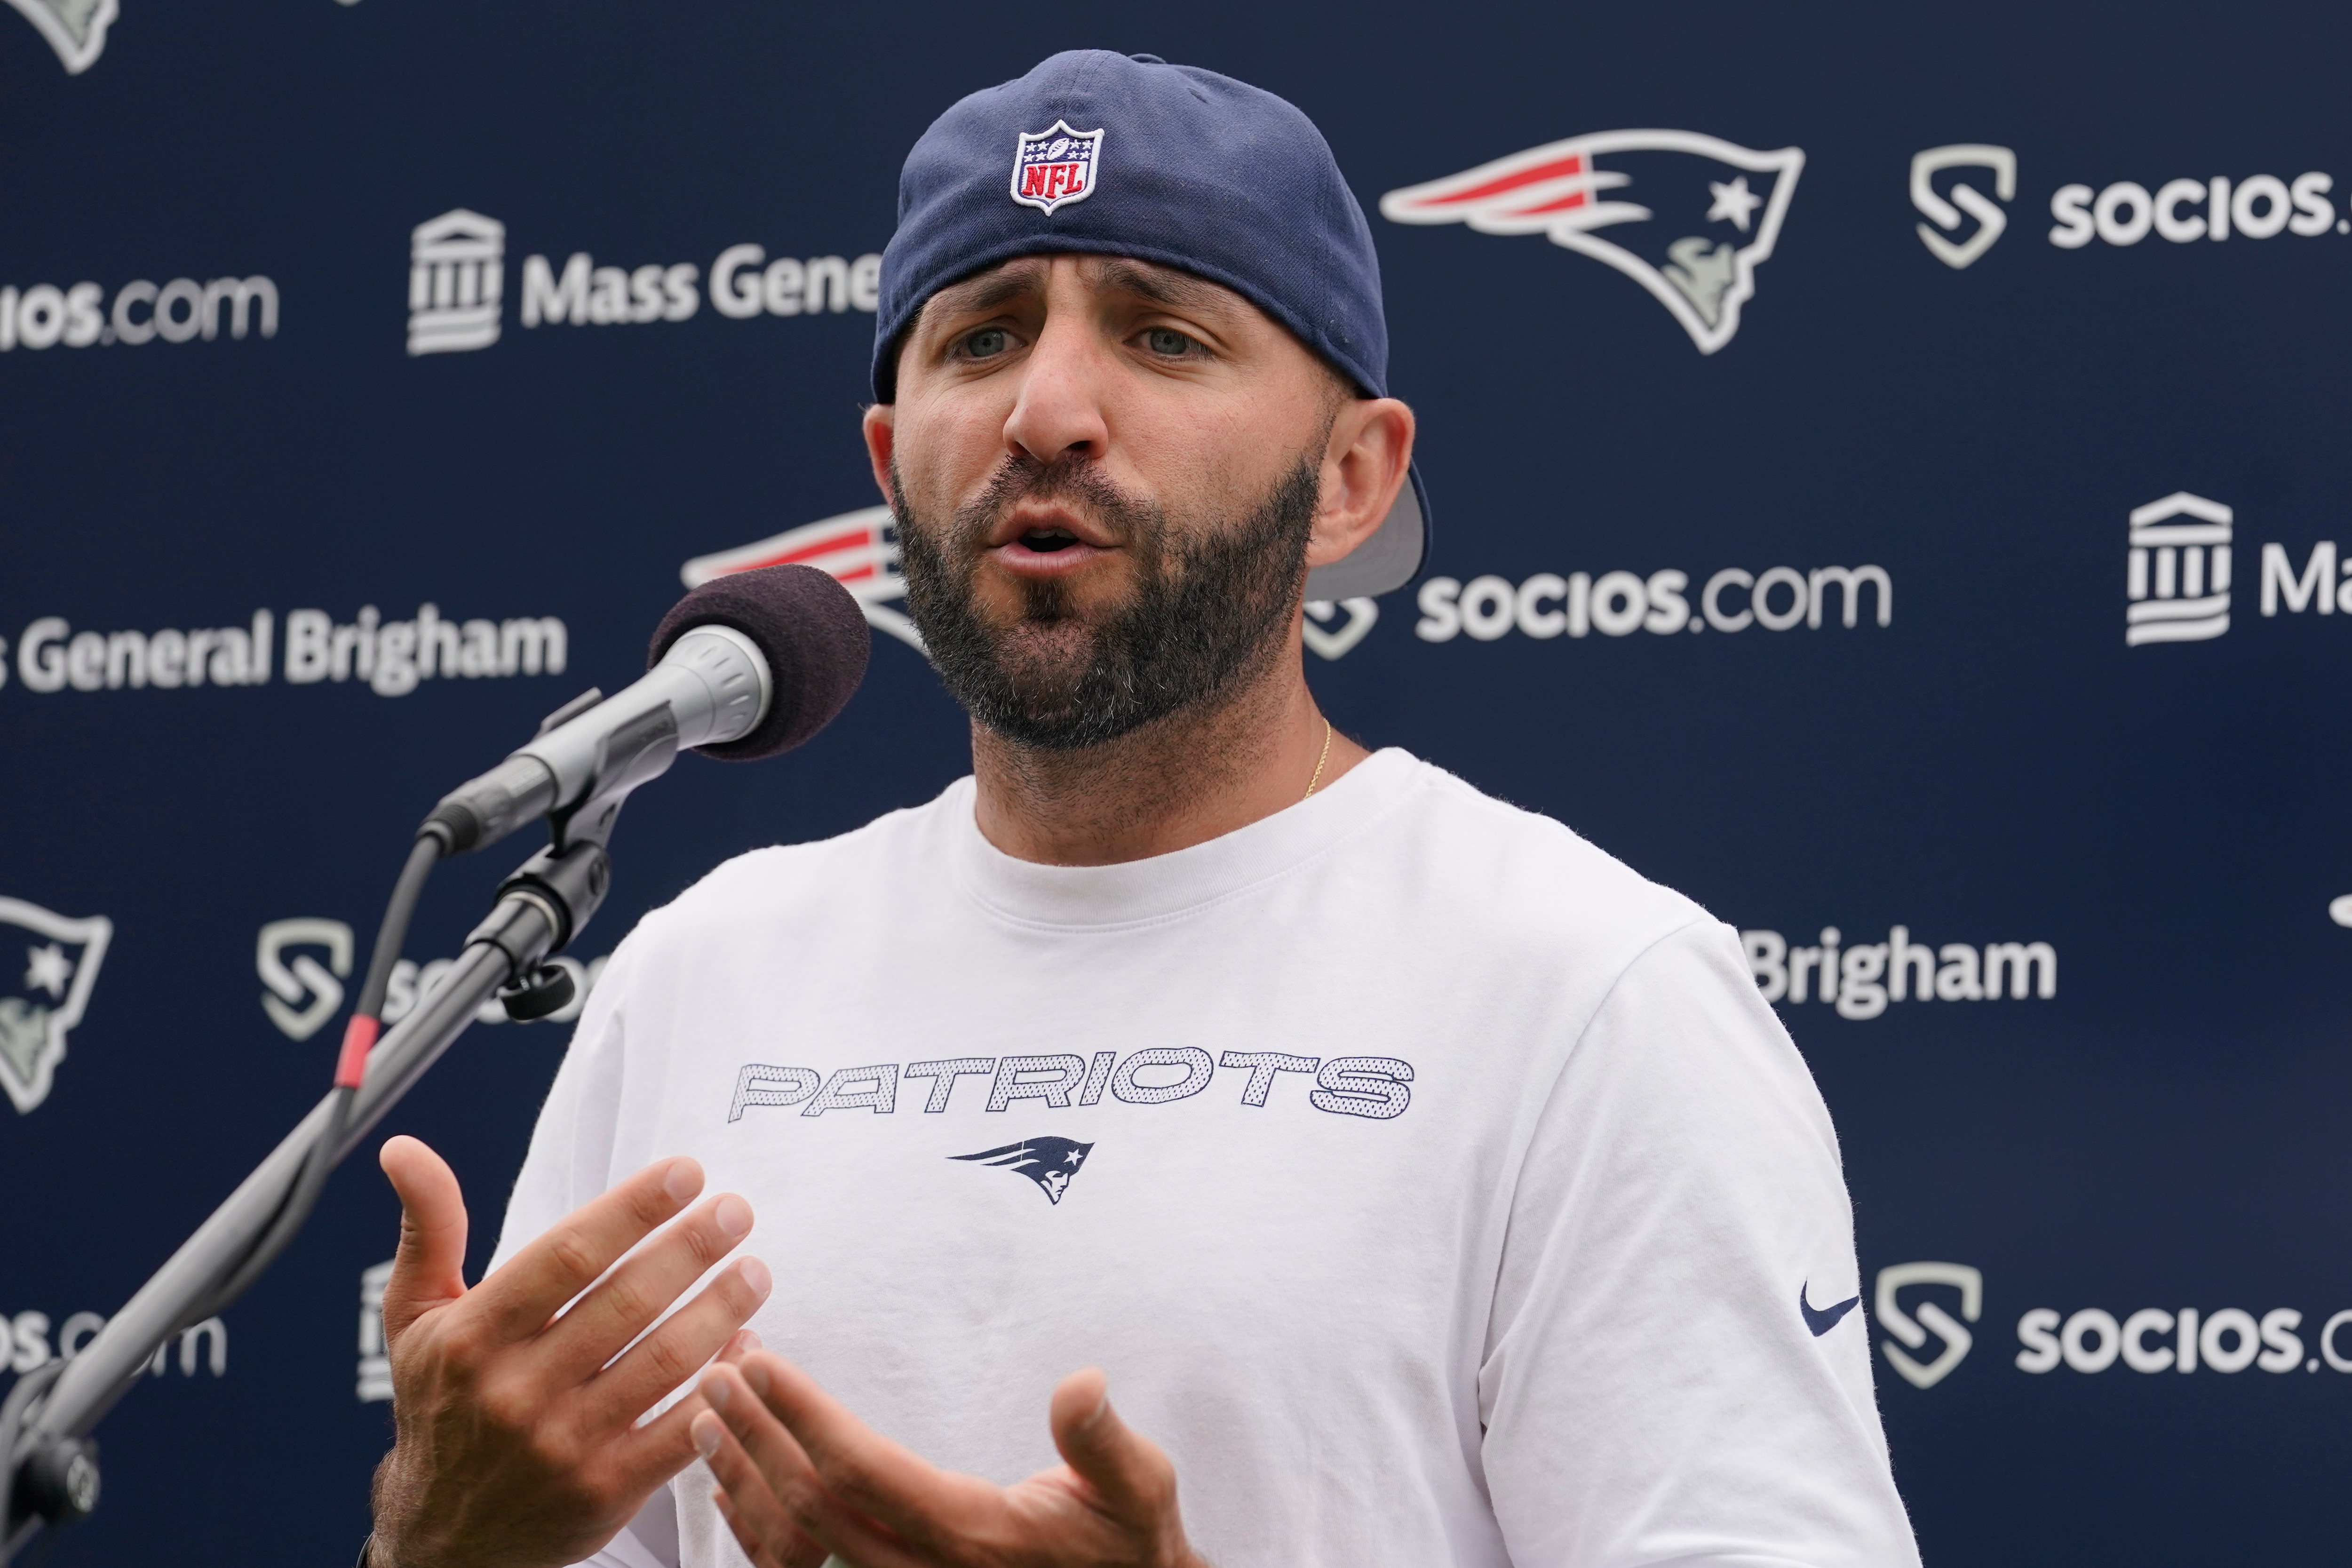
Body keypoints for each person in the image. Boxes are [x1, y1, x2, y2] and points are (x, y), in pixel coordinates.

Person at [360, 49, 1920, 1568]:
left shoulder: (1586, 991)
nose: (1047, 410)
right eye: (977, 339)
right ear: (892, 467)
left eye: (1165, 337)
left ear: (1352, 481)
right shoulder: (705, 972)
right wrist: (438, 1548)